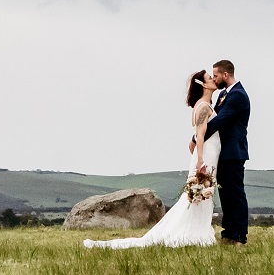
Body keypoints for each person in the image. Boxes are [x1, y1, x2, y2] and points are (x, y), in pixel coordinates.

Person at [81, 69, 223, 249]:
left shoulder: (205, 105)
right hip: (206, 156)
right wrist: (200, 160)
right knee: (199, 194)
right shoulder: (203, 106)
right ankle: (193, 232)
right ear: (203, 84)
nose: (213, 80)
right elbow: (200, 135)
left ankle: (198, 228)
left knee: (202, 194)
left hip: (211, 154)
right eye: (209, 78)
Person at [202, 60, 250, 245]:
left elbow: (220, 120)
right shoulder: (223, 94)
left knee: (235, 195)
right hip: (222, 152)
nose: (214, 78)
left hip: (233, 152)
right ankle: (228, 232)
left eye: (216, 75)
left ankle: (239, 236)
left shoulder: (238, 95)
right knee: (225, 196)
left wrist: (197, 138)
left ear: (225, 75)